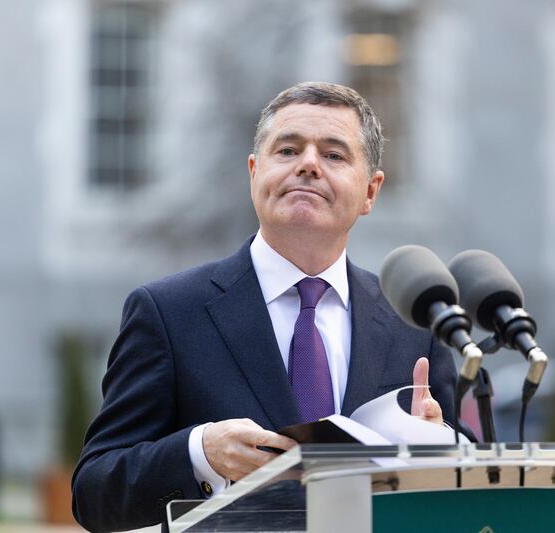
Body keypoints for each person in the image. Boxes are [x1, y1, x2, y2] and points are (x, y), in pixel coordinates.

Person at [72, 81, 468, 532]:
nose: (309, 166)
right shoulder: (168, 313)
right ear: (254, 172)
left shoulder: (415, 321)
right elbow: (94, 492)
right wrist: (199, 453)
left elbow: (467, 494)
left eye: (334, 155)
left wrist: (439, 446)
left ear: (370, 192)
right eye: (288, 150)